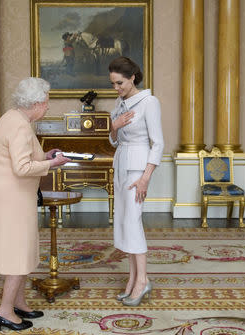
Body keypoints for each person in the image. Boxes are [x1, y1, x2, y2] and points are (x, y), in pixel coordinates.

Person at [0, 77, 70, 331]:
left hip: (10, 193)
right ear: (36, 103)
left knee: (19, 249)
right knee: (18, 254)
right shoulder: (20, 126)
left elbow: (22, 156)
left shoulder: (11, 118)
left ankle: (18, 302)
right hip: (15, 196)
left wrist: (45, 155)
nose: (47, 107)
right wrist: (52, 164)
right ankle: (5, 311)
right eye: (46, 102)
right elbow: (22, 167)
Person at [108, 56, 164, 306]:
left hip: (137, 169)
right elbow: (114, 142)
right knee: (123, 223)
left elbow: (158, 142)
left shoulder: (149, 102)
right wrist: (114, 127)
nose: (116, 88)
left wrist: (145, 178)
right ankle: (132, 279)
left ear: (132, 77)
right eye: (113, 84)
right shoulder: (119, 104)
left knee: (133, 222)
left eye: (120, 83)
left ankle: (142, 281)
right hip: (121, 165)